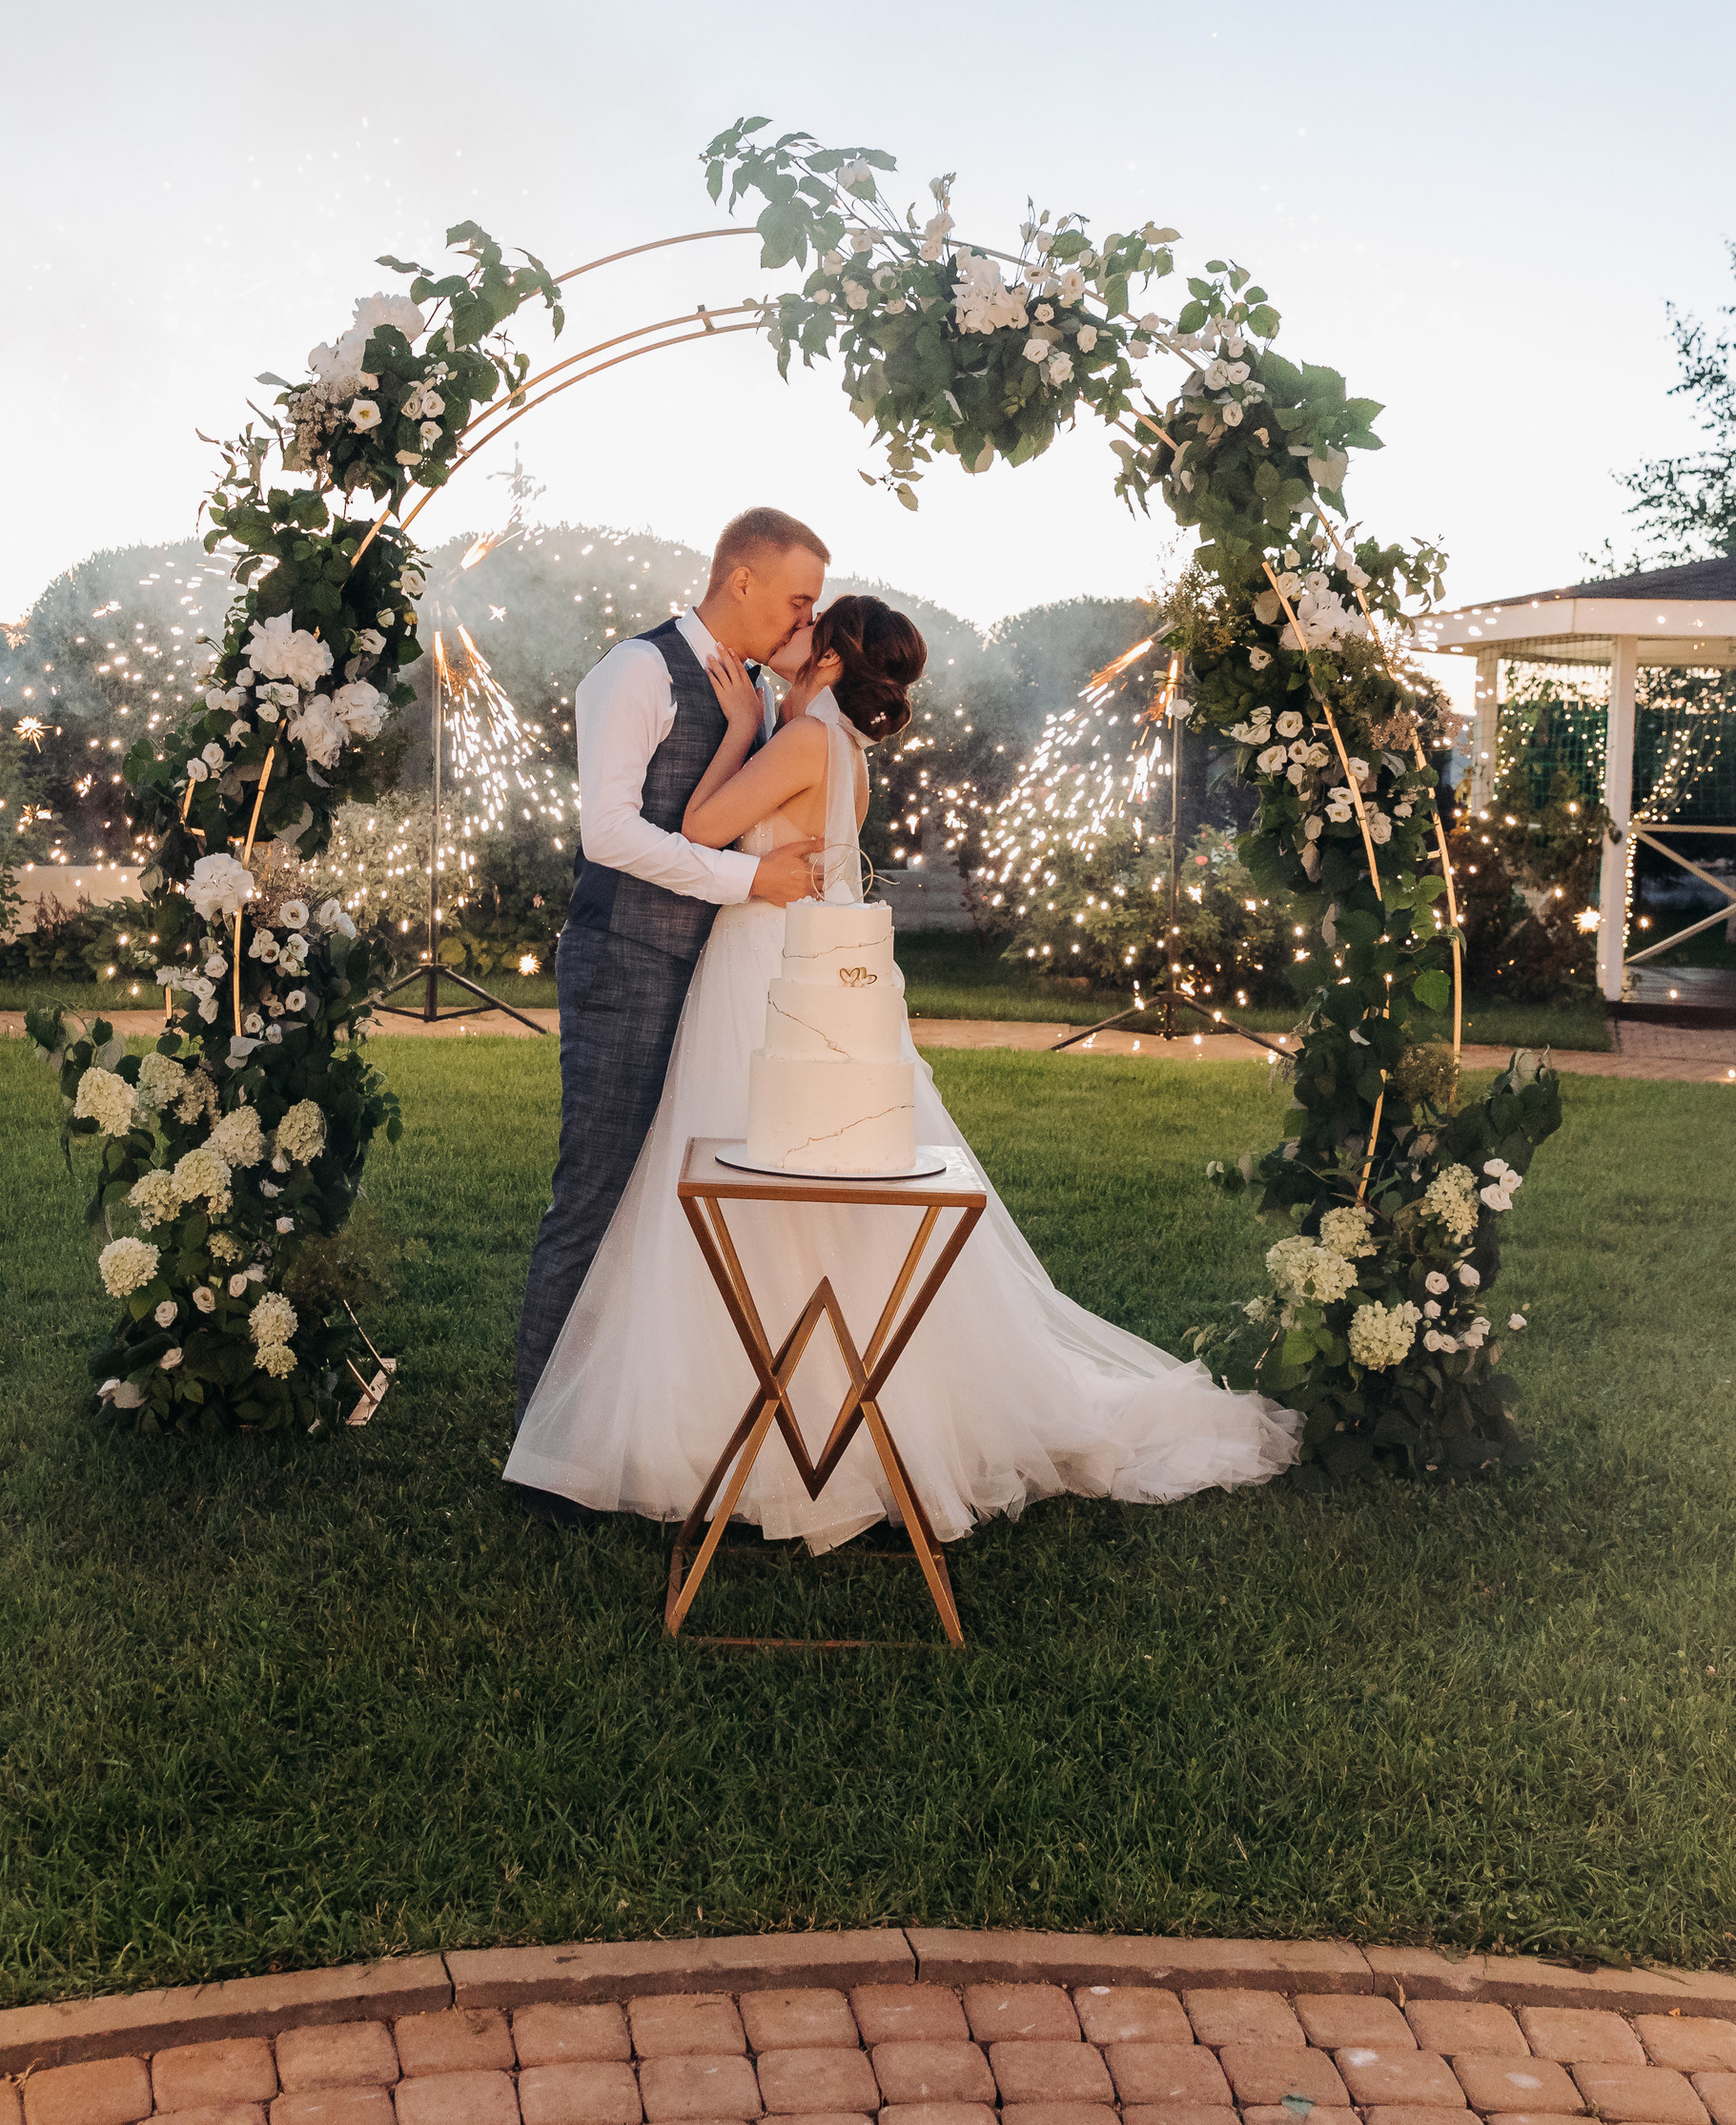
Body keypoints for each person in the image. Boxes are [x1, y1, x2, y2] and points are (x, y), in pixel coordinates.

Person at [505, 591, 1301, 1546]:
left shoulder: (800, 741)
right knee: (817, 1190)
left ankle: (773, 1426)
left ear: (832, 660)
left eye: (807, 630)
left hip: (770, 974)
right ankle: (807, 1407)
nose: (789, 640)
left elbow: (705, 825)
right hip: (825, 977)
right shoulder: (845, 752)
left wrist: (736, 728)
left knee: (757, 1181)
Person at [509, 508, 830, 1522]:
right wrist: (743, 880)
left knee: (663, 1198)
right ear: (740, 581)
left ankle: (620, 1417)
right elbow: (608, 832)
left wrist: (782, 711)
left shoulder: (751, 697)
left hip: (696, 970)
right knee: (595, 1191)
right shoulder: (634, 673)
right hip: (624, 959)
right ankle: (539, 1447)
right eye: (795, 598)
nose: (804, 618)